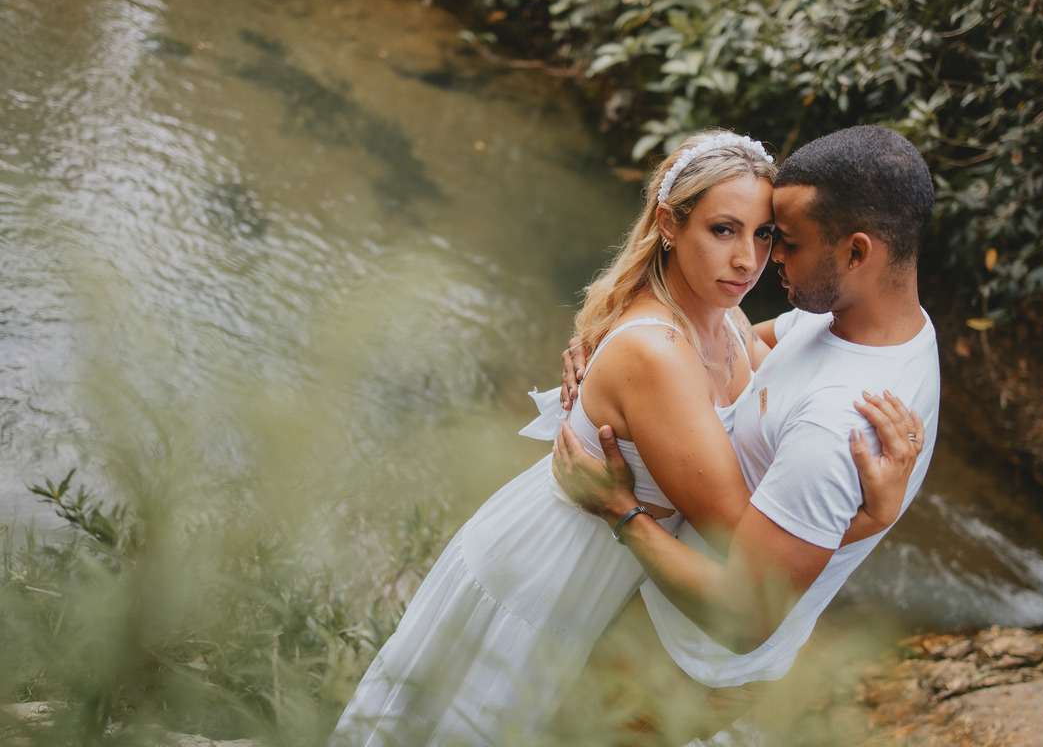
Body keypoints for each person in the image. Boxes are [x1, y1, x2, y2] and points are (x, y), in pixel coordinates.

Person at [329, 129, 920, 747]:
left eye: (765, 233)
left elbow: (774, 353)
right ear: (668, 224)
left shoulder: (724, 314)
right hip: (561, 565)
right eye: (723, 230)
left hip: (617, 572)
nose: (749, 260)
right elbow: (742, 542)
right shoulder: (658, 354)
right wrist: (870, 518)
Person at [553, 124, 941, 738]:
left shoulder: (838, 423)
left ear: (856, 253)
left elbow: (745, 616)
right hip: (663, 619)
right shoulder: (861, 326)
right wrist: (616, 348)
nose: (767, 258)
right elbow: (735, 343)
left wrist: (620, 511)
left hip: (684, 662)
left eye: (784, 240)